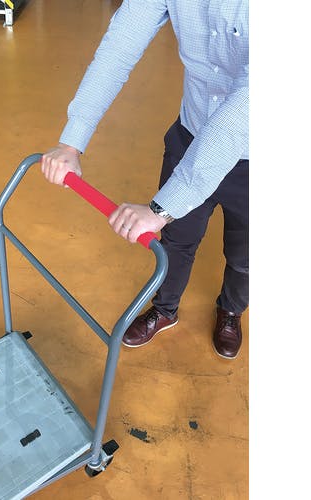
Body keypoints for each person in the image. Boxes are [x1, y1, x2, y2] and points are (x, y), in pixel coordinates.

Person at [40, 0, 248, 360]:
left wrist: (162, 207)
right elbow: (119, 48)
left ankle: (231, 310)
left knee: (247, 255)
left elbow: (246, 109)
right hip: (192, 130)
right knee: (176, 241)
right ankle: (165, 308)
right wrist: (71, 143)